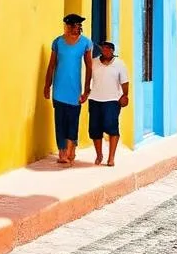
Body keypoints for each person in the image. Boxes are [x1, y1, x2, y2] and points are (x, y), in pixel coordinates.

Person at [43, 14, 93, 166]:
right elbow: (51, 65)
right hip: (59, 89)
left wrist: (86, 90)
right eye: (72, 26)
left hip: (75, 90)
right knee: (60, 121)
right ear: (66, 26)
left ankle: (71, 148)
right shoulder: (58, 42)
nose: (75, 28)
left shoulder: (85, 43)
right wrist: (47, 85)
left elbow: (89, 67)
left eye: (77, 26)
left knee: (72, 120)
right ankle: (63, 152)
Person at [88, 40, 129, 166]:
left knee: (112, 128)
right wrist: (85, 93)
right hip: (95, 99)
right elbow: (88, 78)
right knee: (95, 129)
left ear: (112, 51)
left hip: (112, 101)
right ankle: (99, 154)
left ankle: (111, 158)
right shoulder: (94, 62)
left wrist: (125, 95)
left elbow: (125, 82)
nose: (104, 51)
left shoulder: (119, 64)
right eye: (102, 48)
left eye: (107, 49)